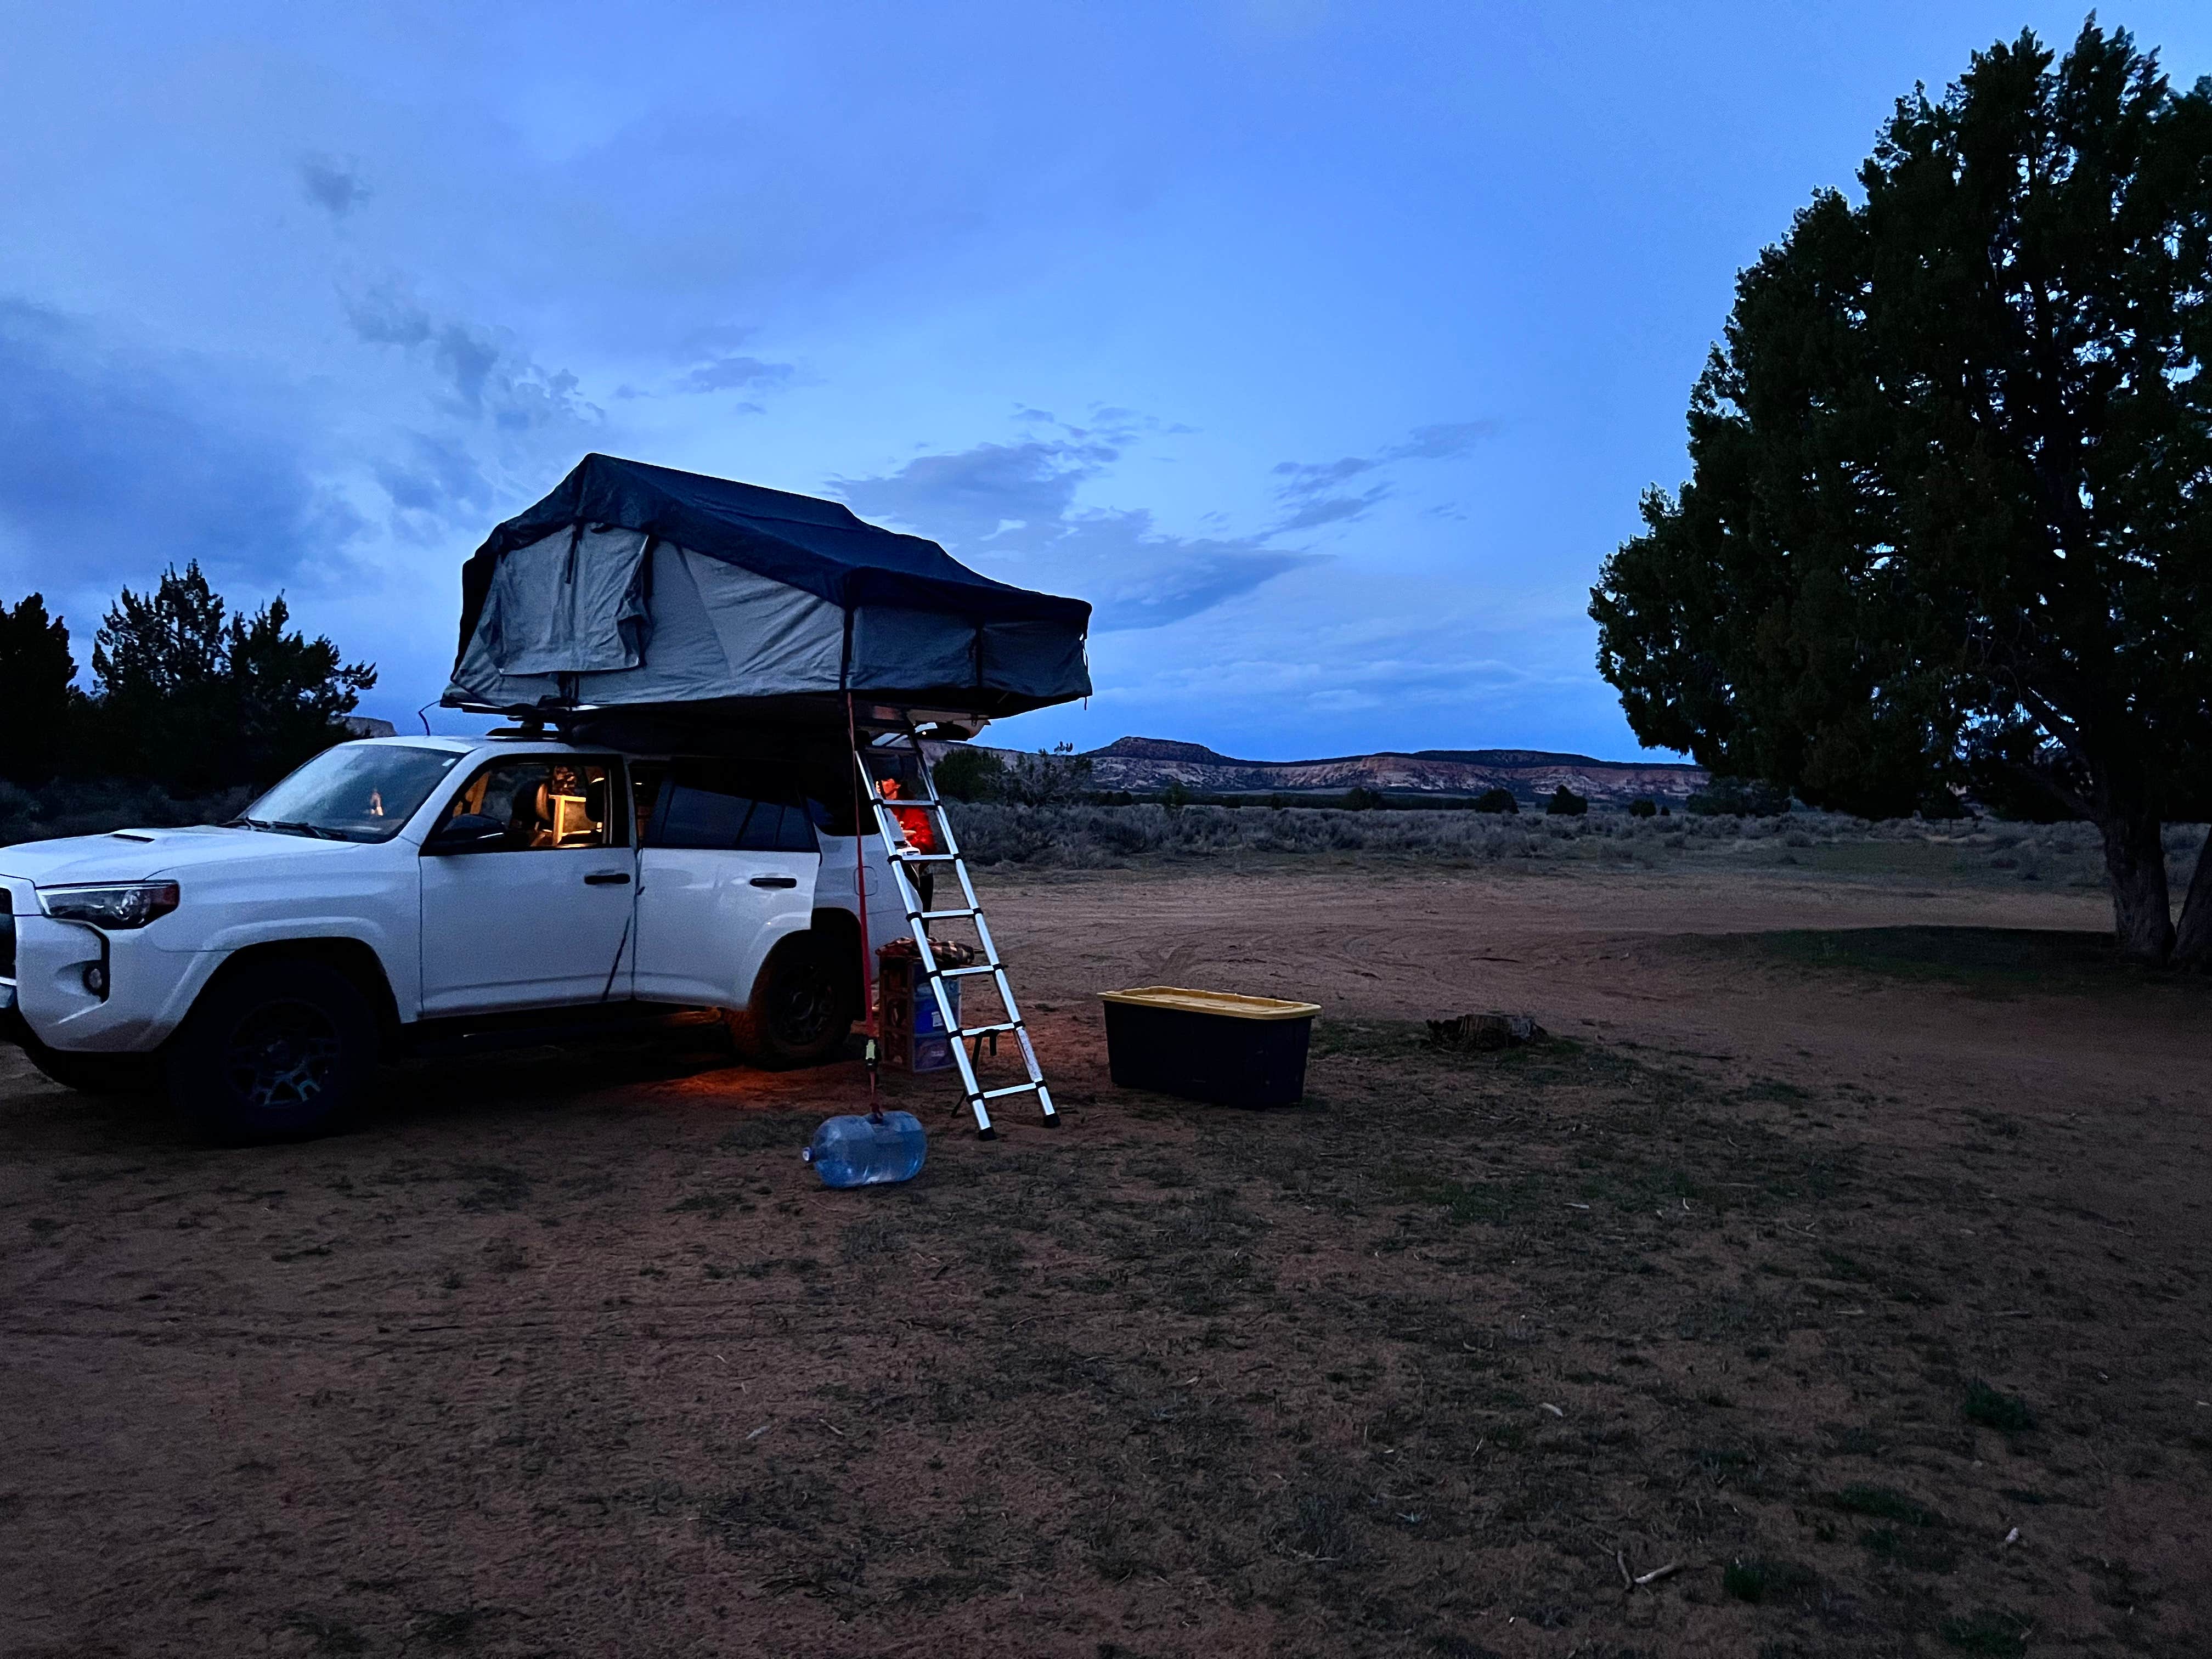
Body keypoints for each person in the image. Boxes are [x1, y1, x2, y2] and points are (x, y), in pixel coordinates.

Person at [878, 777, 935, 915]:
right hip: (885, 875)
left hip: (915, 876)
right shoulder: (873, 810)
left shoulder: (912, 811)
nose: (878, 784)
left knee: (918, 921)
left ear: (898, 784)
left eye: (885, 780)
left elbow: (927, 843)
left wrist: (905, 845)